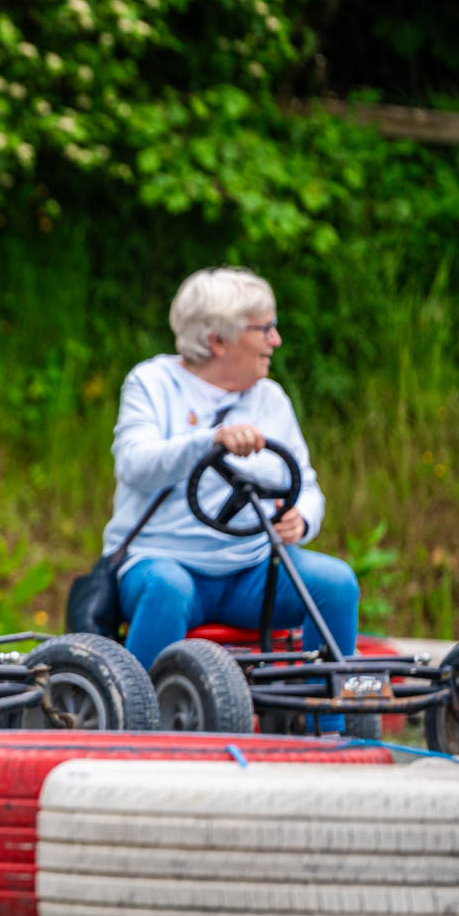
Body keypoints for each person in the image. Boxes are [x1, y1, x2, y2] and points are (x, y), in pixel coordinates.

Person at [103, 268, 360, 726]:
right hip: (162, 561)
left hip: (251, 570)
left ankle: (324, 731)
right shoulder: (152, 382)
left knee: (336, 583)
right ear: (218, 341)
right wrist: (210, 441)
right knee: (168, 588)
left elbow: (308, 482)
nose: (276, 340)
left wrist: (303, 518)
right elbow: (133, 463)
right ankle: (135, 721)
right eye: (264, 328)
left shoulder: (271, 399)